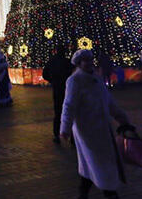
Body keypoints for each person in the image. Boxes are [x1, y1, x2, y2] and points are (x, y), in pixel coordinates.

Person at [61, 49, 131, 199]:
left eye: (90, 59)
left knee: (91, 163)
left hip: (103, 127)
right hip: (87, 130)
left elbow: (108, 100)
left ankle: (83, 193)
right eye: (85, 60)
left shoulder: (97, 78)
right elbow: (69, 105)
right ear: (79, 63)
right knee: (99, 162)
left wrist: (120, 117)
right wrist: (64, 128)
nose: (89, 63)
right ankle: (110, 193)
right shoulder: (74, 81)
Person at [43, 47, 73, 143]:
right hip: (67, 88)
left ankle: (56, 134)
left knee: (58, 112)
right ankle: (72, 136)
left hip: (57, 89)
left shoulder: (51, 61)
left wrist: (52, 81)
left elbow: (45, 74)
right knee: (70, 111)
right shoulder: (68, 62)